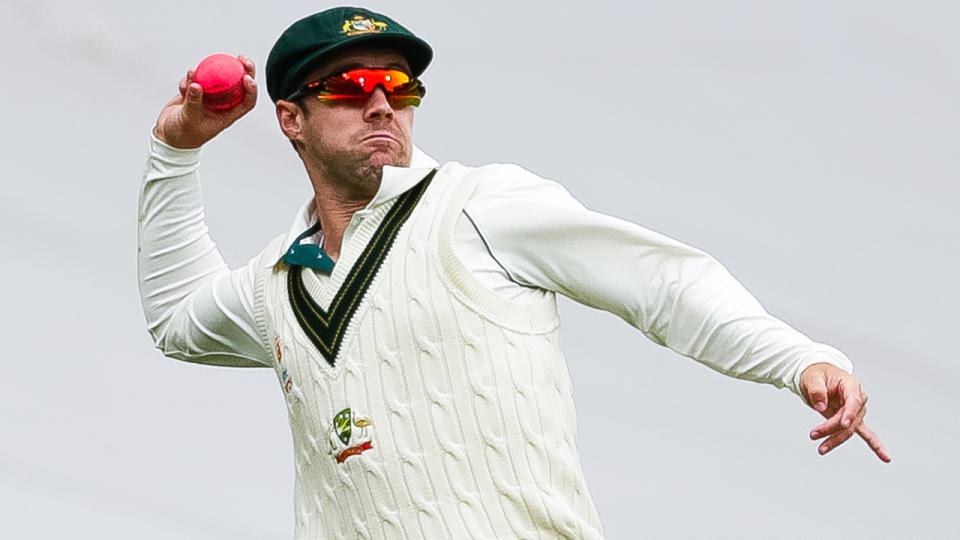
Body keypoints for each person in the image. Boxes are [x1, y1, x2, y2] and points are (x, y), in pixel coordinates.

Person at [139, 7, 890, 539]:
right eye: (348, 85)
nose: (380, 103)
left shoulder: (482, 204)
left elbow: (661, 283)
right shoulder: (280, 278)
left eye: (399, 88)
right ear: (290, 118)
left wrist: (802, 359)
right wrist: (176, 148)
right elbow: (177, 320)